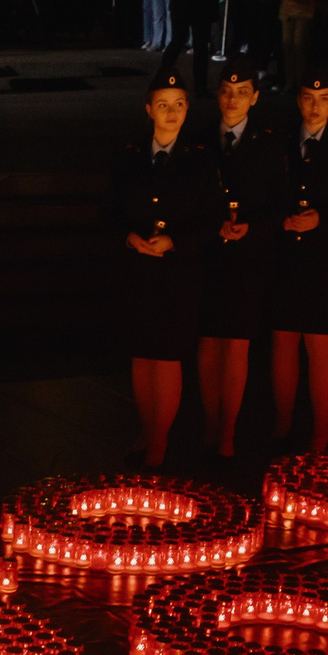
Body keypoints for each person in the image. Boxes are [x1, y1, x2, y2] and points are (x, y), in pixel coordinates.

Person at [110, 68, 221, 467]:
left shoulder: (200, 161)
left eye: (178, 105)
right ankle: (148, 429)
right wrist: (129, 237)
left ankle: (159, 442)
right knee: (143, 356)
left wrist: (175, 240)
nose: (171, 113)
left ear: (187, 109)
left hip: (178, 274)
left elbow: (211, 219)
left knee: (169, 356)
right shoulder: (129, 157)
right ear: (148, 110)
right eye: (163, 105)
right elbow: (109, 212)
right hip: (139, 273)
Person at [195, 58, 285, 458]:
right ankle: (210, 422)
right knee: (208, 342)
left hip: (248, 259)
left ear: (255, 98)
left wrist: (252, 227)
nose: (233, 100)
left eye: (242, 93)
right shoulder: (200, 140)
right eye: (227, 92)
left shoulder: (268, 144)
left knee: (236, 345)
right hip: (209, 256)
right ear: (218, 95)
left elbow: (278, 203)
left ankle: (229, 430)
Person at [268, 72, 328, 451]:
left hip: (325, 260)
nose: (314, 107)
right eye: (308, 97)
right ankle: (283, 422)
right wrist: (280, 219)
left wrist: (323, 219)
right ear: (298, 100)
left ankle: (321, 431)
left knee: (320, 343)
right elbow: (268, 192)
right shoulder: (281, 142)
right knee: (284, 339)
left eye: (323, 99)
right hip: (287, 256)